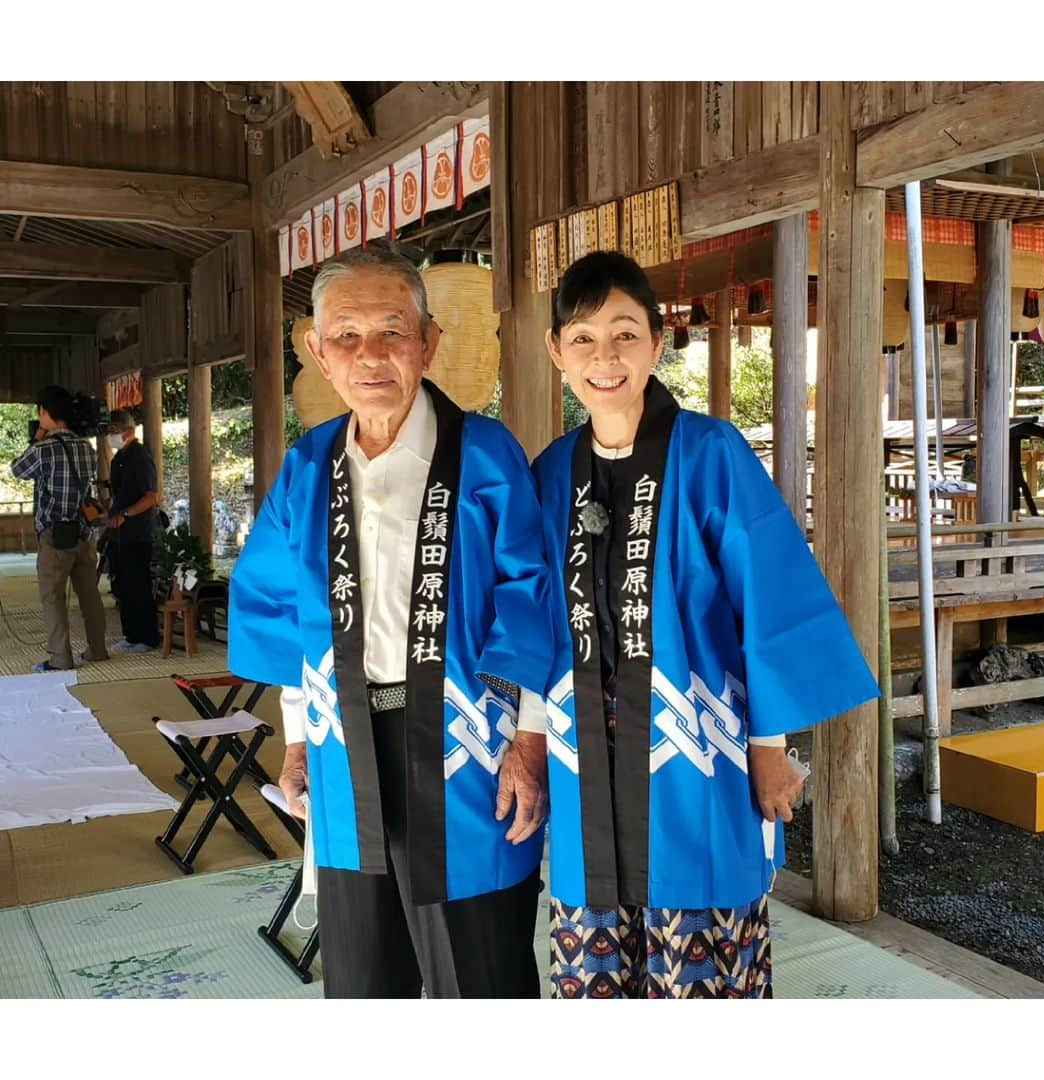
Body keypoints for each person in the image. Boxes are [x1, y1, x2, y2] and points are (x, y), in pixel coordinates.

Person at [533, 252, 880, 999]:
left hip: (698, 758)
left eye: (625, 333)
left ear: (658, 342)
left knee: (702, 982)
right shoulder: (550, 472)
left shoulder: (711, 453)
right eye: (584, 338)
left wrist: (771, 747)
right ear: (557, 352)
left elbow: (774, 602)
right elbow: (528, 625)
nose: (605, 357)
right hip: (582, 765)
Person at [228, 247, 553, 998]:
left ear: (428, 341)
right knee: (365, 975)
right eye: (346, 335)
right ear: (316, 352)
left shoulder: (487, 456)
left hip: (470, 745)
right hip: (345, 751)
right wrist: (299, 744)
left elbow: (530, 599)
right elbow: (290, 619)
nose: (369, 354)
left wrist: (530, 744)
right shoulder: (307, 470)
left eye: (392, 331)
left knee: (481, 975)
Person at [10, 385, 108, 673]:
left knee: (52, 597)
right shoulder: (86, 446)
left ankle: (60, 658)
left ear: (44, 412)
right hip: (84, 532)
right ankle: (97, 649)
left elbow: (17, 470)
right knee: (89, 593)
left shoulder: (43, 449)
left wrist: (37, 437)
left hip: (55, 535)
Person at [104, 409, 161, 652]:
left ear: (129, 431)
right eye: (109, 430)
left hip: (138, 533)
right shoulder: (118, 458)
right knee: (122, 586)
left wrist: (125, 514)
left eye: (115, 430)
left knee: (138, 584)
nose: (111, 435)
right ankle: (130, 634)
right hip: (120, 534)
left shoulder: (140, 457)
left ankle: (147, 636)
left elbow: (151, 497)